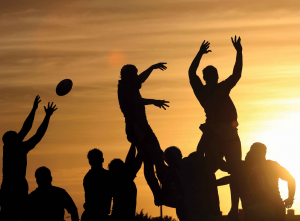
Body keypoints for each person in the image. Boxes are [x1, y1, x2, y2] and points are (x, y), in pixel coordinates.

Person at [188, 36, 243, 219]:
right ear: (206, 78)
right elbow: (191, 73)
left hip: (228, 133)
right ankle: (214, 206)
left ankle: (234, 208)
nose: (211, 78)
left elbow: (236, 74)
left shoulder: (221, 88)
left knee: (234, 170)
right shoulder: (204, 91)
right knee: (208, 167)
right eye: (208, 76)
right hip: (215, 133)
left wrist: (239, 52)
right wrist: (199, 54)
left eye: (213, 75)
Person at [118, 63, 169, 205]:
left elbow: (141, 79)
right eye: (135, 74)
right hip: (137, 129)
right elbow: (135, 101)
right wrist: (154, 101)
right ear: (129, 76)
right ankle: (158, 194)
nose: (137, 77)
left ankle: (162, 191)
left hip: (142, 127)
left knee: (157, 156)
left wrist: (152, 68)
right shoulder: (125, 88)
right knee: (149, 159)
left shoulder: (130, 84)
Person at [0, 96, 57, 221]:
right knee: (22, 215)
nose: (20, 135)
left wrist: (34, 109)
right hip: (17, 186)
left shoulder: (8, 148)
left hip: (8, 186)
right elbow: (36, 133)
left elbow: (26, 128)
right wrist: (46, 116)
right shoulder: (20, 148)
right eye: (17, 135)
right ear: (14, 139)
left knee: (7, 215)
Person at [217, 142, 296, 221]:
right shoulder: (272, 165)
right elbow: (291, 179)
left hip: (259, 209)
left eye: (252, 151)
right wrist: (290, 198)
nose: (249, 153)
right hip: (278, 208)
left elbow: (225, 170)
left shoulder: (246, 167)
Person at [151, 146, 220, 221]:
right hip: (196, 209)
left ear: (167, 161)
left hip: (189, 211)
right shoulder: (189, 164)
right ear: (180, 155)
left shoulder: (168, 176)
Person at [109, 144, 142, 221]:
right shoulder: (125, 180)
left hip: (117, 216)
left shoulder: (114, 181)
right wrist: (137, 146)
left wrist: (134, 144)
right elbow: (134, 163)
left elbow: (131, 163)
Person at [81, 149, 112, 221]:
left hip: (90, 215)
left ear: (89, 161)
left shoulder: (88, 177)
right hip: (98, 215)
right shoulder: (108, 176)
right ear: (102, 159)